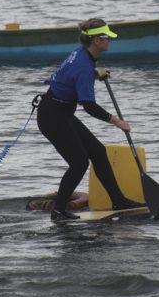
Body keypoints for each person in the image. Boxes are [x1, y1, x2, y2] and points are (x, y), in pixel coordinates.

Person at [37, 18, 144, 220]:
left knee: (99, 152)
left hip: (61, 112)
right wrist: (117, 121)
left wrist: (96, 73)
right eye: (106, 37)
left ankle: (118, 200)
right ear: (95, 41)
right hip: (52, 116)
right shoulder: (83, 66)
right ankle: (58, 212)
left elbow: (69, 76)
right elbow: (89, 106)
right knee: (79, 163)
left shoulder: (81, 55)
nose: (109, 41)